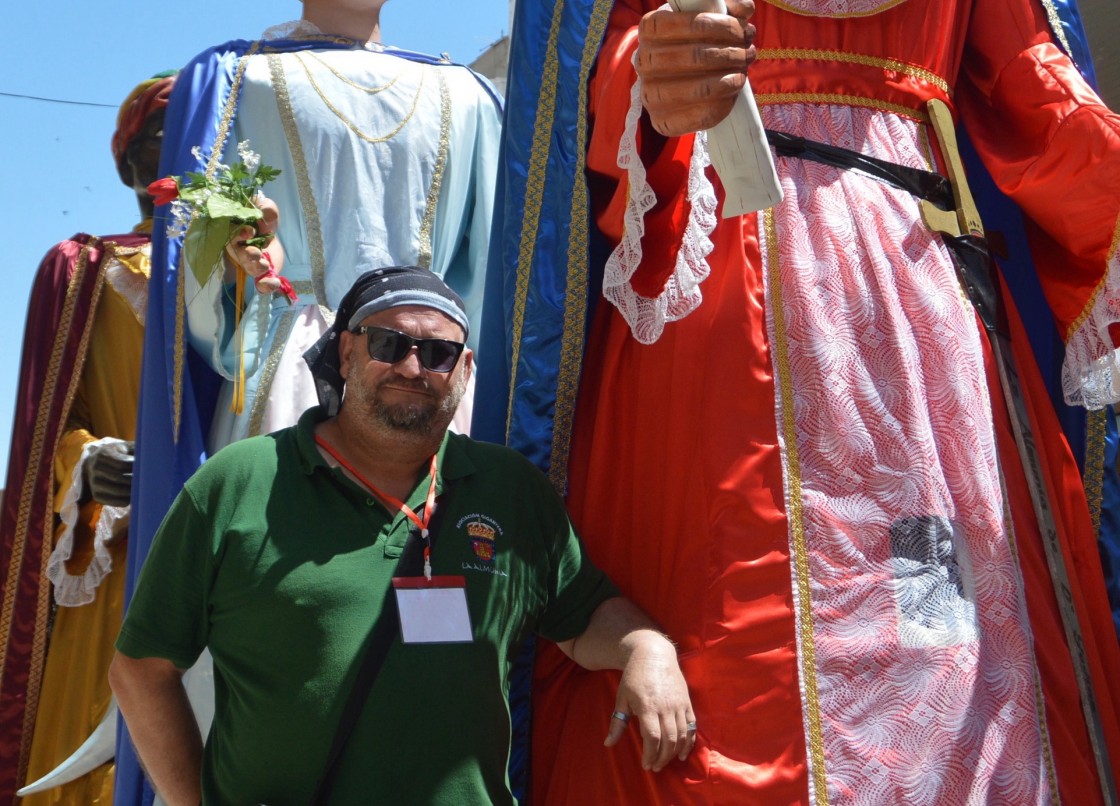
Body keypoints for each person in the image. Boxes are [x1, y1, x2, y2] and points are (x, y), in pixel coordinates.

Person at [475, 0, 1120, 802]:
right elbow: (604, 68)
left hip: (913, 297)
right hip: (724, 268)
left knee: (930, 573)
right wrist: (651, 76)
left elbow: (1033, 81)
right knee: (737, 594)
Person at [109, 265, 694, 805]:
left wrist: (649, 649)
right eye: (388, 345)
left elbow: (582, 616)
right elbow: (141, 671)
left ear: (464, 371)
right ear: (345, 351)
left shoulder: (509, 489)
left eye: (439, 353)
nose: (413, 368)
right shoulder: (238, 482)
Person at [122, 2, 501, 800]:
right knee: (273, 618)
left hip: (424, 386)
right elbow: (196, 290)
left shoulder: (466, 97)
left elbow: (495, 278)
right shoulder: (236, 79)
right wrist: (239, 269)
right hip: (283, 378)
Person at [0, 72, 176, 804]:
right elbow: (44, 426)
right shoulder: (84, 268)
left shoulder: (260, 277)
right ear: (131, 164)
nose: (188, 157)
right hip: (111, 552)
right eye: (166, 141)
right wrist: (89, 461)